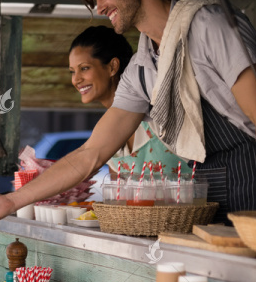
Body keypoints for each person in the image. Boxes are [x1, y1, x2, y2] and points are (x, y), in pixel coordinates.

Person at [0, 0, 256, 223]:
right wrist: (12, 201)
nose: (99, 7)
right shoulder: (142, 68)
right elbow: (90, 154)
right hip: (207, 191)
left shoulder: (211, 26)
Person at [68, 25, 190, 176]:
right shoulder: (105, 131)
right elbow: (117, 196)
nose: (76, 79)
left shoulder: (156, 113)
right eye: (72, 72)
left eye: (84, 68)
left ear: (112, 67)